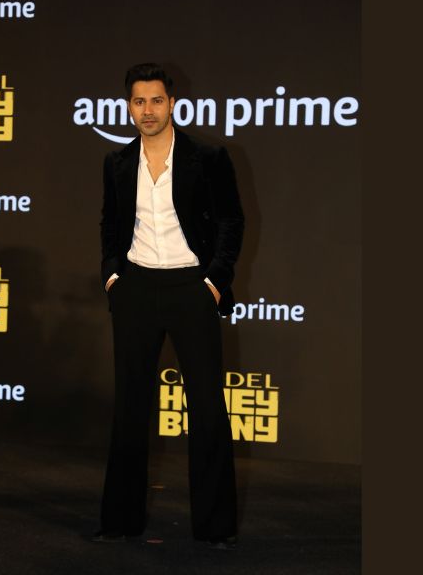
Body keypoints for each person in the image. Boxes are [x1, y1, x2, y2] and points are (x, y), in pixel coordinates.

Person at [94, 63, 245, 550]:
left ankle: (215, 527)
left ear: (172, 105)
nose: (148, 110)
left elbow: (232, 221)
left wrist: (214, 282)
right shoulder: (117, 163)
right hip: (136, 288)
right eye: (139, 101)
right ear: (129, 108)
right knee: (130, 406)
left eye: (156, 100)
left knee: (207, 408)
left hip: (191, 288)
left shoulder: (208, 157)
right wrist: (113, 277)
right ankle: (120, 520)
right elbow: (110, 224)